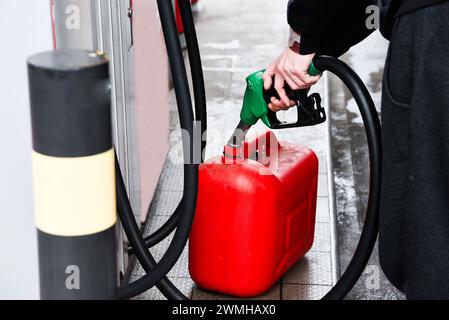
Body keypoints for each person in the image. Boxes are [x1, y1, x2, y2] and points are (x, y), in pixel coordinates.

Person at [263, 0, 449, 299]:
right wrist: (315, 50)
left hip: (437, 31)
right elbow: (369, 12)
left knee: (432, 219)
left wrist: (304, 41)